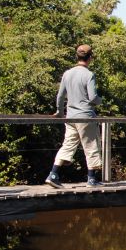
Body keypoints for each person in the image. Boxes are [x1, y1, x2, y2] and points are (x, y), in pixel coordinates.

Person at [45, 44, 104, 188]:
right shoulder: (89, 75)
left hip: (70, 117)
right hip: (85, 116)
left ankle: (53, 174)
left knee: (68, 144)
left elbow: (60, 96)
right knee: (91, 146)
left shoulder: (67, 73)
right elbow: (92, 98)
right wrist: (100, 101)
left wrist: (60, 112)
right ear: (90, 58)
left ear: (77, 57)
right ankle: (91, 179)